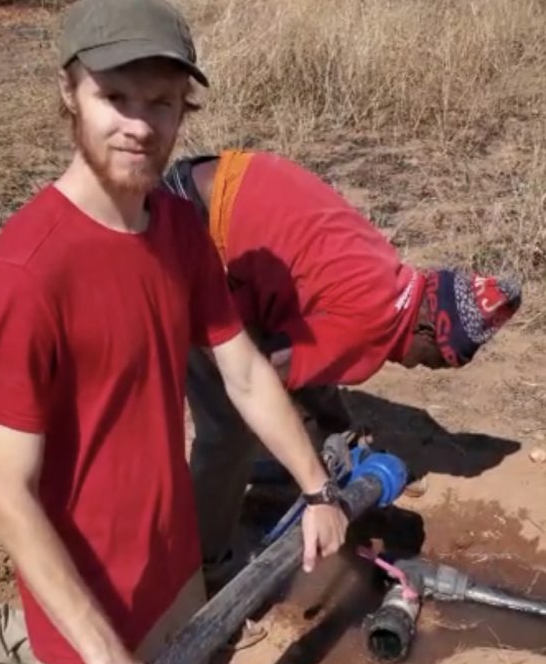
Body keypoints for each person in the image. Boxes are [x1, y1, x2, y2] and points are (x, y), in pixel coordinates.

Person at [0, 0, 348, 664]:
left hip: (172, 564)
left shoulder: (176, 227)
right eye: (114, 98)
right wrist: (106, 658)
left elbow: (240, 366)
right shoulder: (30, 268)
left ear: (186, 110)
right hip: (84, 602)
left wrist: (318, 486)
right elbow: (9, 488)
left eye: (164, 102)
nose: (140, 125)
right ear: (69, 96)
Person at [163, 150, 522, 580]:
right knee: (229, 426)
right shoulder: (376, 322)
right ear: (428, 330)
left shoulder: (387, 273)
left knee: (290, 367)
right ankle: (203, 567)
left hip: (217, 190)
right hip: (188, 224)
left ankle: (313, 465)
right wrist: (319, 492)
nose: (423, 369)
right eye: (435, 362)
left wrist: (339, 443)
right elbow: (255, 376)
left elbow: (316, 355)